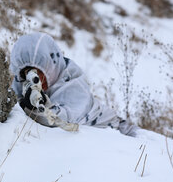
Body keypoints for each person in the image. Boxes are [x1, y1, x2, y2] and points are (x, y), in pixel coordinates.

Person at [9, 32, 138, 136]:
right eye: (28, 74)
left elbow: (64, 120)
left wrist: (37, 109)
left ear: (51, 66)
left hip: (112, 129)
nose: (37, 81)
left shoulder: (74, 85)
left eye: (40, 73)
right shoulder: (22, 82)